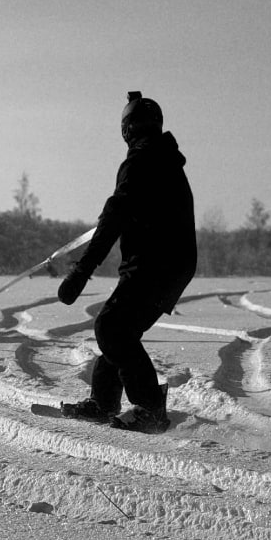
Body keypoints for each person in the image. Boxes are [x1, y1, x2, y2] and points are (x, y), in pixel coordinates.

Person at [57, 91, 197, 433]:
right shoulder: (165, 158)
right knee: (119, 329)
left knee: (112, 328)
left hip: (156, 263)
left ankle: (150, 407)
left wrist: (81, 271)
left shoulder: (141, 160)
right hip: (172, 264)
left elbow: (113, 218)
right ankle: (104, 401)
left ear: (126, 129)